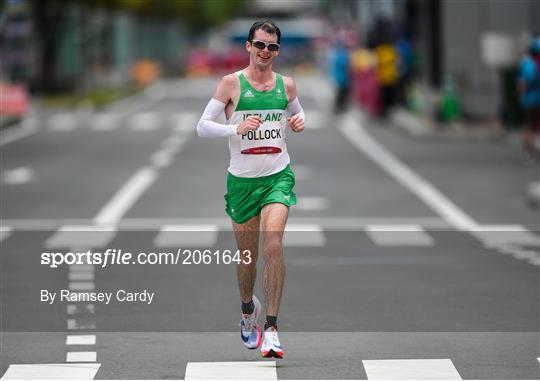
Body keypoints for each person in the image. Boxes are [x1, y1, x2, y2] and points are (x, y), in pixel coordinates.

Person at [196, 20, 305, 359]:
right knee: (248, 259)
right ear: (248, 46)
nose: (265, 52)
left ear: (277, 50)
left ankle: (271, 328)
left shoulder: (286, 86)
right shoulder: (231, 84)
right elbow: (202, 127)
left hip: (277, 177)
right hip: (242, 183)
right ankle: (248, 310)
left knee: (273, 244)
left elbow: (298, 116)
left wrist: (299, 122)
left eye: (272, 47)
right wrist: (235, 128)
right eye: (259, 45)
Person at [517, 36, 540, 158]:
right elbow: (526, 81)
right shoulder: (532, 64)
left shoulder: (528, 64)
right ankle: (529, 149)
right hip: (534, 99)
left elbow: (524, 81)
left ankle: (528, 149)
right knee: (531, 124)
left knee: (528, 125)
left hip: (530, 99)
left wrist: (520, 95)